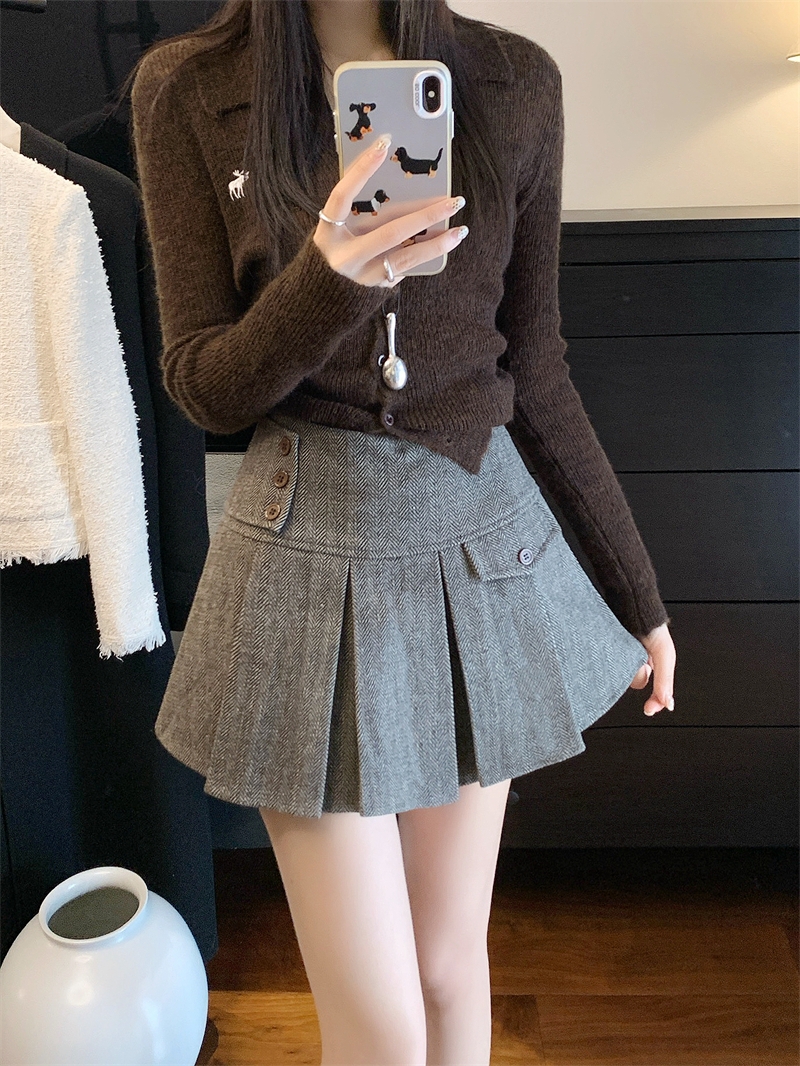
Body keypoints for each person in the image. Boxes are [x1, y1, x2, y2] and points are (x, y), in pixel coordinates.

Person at [127, 1, 677, 1063]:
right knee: (377, 1022)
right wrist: (327, 281)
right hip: (300, 555)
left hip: (476, 549)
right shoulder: (186, 87)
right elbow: (203, 386)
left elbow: (535, 367)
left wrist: (636, 594)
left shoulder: (515, 82)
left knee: (445, 969)